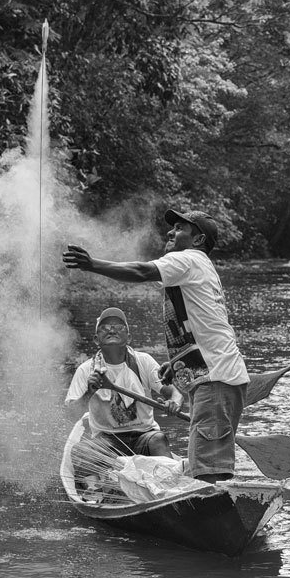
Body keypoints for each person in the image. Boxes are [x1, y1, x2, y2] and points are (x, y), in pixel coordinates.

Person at [63, 208, 249, 483]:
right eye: (171, 228)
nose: (171, 232)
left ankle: (208, 517)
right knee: (205, 461)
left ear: (197, 240)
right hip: (213, 376)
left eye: (180, 229)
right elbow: (203, 327)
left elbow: (141, 271)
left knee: (211, 470)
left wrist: (92, 265)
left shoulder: (189, 259)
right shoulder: (195, 267)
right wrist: (177, 363)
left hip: (216, 377)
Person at [64, 307, 183, 486]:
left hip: (144, 436)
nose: (112, 329)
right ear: (96, 339)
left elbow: (174, 392)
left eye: (119, 326)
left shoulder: (143, 361)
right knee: (81, 451)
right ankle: (95, 492)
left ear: (129, 337)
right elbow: (71, 414)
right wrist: (89, 392)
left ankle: (170, 488)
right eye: (105, 327)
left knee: (159, 439)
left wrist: (174, 402)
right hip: (107, 440)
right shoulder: (86, 370)